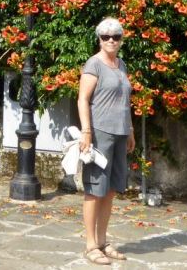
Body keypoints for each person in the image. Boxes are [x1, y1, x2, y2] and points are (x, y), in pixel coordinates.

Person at [77, 17, 135, 265]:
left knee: (110, 190)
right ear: (99, 39)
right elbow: (83, 99)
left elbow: (125, 101)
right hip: (100, 133)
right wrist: (86, 132)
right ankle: (91, 245)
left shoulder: (121, 65)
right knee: (95, 190)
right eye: (106, 36)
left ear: (121, 39)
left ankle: (102, 241)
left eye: (116, 36)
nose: (111, 40)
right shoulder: (94, 64)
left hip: (120, 133)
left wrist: (130, 130)